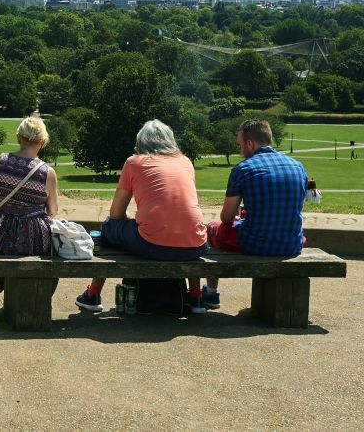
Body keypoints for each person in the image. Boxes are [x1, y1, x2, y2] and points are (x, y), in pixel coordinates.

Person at [73, 120, 209, 314]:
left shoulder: (134, 162)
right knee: (186, 230)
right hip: (196, 246)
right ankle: (195, 297)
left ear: (141, 142)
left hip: (153, 244)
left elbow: (116, 213)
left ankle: (93, 294)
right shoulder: (186, 162)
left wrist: (130, 219)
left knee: (108, 227)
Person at [203, 119, 307, 309]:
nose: (240, 150)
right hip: (292, 244)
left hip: (256, 243)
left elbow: (226, 218)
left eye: (240, 145)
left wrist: (237, 219)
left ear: (250, 143)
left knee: (212, 228)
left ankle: (211, 294)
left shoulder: (243, 169)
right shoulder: (298, 166)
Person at [0, 117, 58, 292]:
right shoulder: (47, 172)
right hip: (34, 238)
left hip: (2, 234)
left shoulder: (0, 162)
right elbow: (52, 211)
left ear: (18, 138)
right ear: (43, 142)